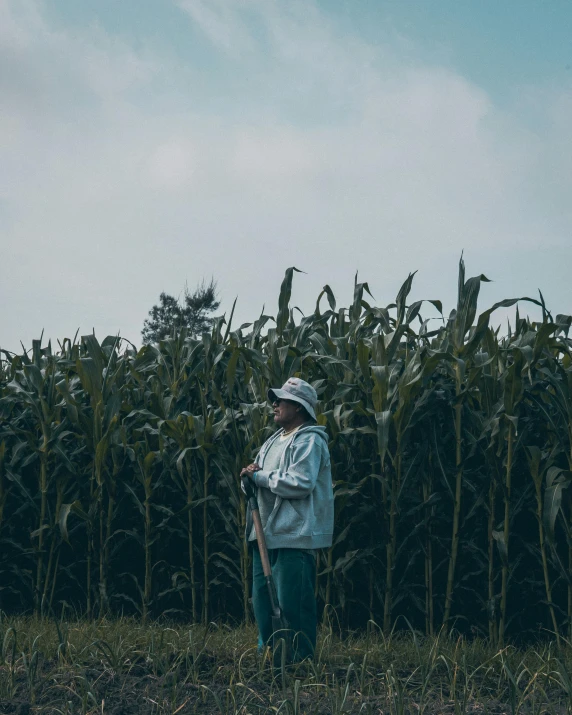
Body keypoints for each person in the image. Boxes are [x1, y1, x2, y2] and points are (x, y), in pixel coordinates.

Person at [241, 377, 334, 661]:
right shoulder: (271, 442)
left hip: (293, 533)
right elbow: (260, 479)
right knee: (262, 601)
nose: (275, 404)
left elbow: (300, 482)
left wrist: (259, 476)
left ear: (300, 407)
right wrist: (250, 475)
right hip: (265, 533)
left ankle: (300, 661)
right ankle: (269, 656)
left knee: (293, 604)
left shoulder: (309, 440)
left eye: (281, 400)